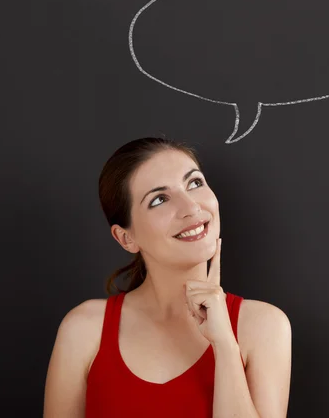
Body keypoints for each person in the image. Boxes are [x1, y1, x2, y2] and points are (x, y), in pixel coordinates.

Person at [43, 136, 292, 417]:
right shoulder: (84, 329)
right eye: (160, 199)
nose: (191, 208)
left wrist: (224, 345)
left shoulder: (264, 327)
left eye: (195, 183)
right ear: (126, 238)